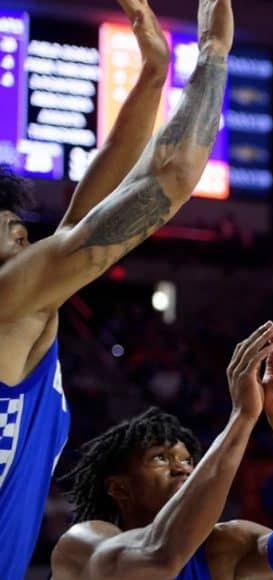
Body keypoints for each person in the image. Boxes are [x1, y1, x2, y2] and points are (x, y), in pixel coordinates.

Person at [0, 0, 234, 575]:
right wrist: (211, 57)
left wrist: (154, 73)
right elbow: (174, 177)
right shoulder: (9, 300)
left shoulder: (25, 303)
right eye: (15, 228)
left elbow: (93, 203)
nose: (29, 234)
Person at [51, 323, 273, 579]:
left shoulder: (223, 548)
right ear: (119, 486)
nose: (183, 469)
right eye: (160, 458)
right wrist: (242, 416)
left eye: (189, 460)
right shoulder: (82, 543)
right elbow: (159, 558)